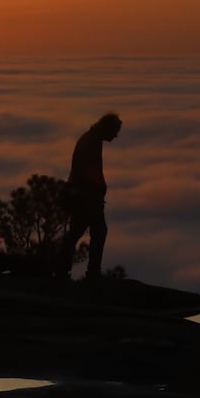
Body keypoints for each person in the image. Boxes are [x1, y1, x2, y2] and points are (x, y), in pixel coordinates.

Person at [65, 112, 121, 279]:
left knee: (75, 232)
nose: (116, 135)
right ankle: (93, 273)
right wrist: (99, 189)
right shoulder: (92, 142)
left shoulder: (91, 139)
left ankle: (62, 268)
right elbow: (89, 171)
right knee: (99, 231)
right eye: (115, 131)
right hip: (87, 195)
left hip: (82, 194)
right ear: (107, 128)